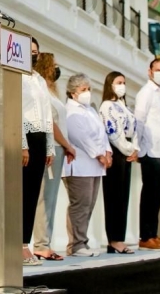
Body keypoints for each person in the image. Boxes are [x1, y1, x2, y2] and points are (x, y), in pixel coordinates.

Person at [32, 53, 76, 261]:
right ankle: (41, 244)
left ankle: (45, 242)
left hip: (58, 148)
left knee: (50, 198)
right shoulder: (43, 91)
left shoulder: (52, 91)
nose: (57, 68)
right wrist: (68, 146)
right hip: (54, 147)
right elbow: (52, 123)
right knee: (45, 198)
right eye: (55, 65)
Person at [63, 74, 111, 257]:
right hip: (80, 164)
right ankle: (76, 245)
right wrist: (99, 154)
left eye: (88, 89)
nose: (87, 93)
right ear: (73, 92)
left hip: (95, 166)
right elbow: (80, 137)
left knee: (89, 205)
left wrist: (107, 151)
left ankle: (82, 241)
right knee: (80, 205)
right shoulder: (71, 111)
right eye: (83, 90)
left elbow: (102, 133)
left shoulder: (90, 110)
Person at [135, 58, 160, 251]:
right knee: (150, 193)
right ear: (149, 71)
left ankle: (153, 233)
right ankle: (145, 235)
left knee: (157, 194)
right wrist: (136, 147)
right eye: (157, 70)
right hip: (149, 151)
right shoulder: (146, 93)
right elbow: (139, 120)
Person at [21, 38, 55, 266]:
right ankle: (18, 245)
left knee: (33, 193)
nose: (34, 55)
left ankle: (25, 243)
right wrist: (22, 143)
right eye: (30, 51)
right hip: (25, 136)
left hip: (41, 137)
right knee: (22, 192)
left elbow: (47, 114)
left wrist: (50, 146)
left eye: (36, 52)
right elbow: (16, 110)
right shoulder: (17, 77)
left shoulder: (39, 79)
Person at [99, 71, 139, 254]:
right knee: (114, 196)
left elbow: (134, 129)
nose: (122, 85)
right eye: (118, 82)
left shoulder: (125, 106)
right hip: (116, 152)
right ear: (110, 85)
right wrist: (128, 149)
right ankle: (113, 239)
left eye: (124, 82)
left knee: (124, 195)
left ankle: (119, 238)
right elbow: (113, 132)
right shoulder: (107, 106)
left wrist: (135, 148)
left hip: (128, 152)